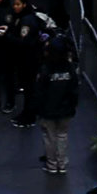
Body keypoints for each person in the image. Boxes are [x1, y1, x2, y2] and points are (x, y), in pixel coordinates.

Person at [31, 47, 82, 175]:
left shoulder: (46, 69)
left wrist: (38, 108)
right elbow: (74, 88)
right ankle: (62, 163)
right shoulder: (70, 68)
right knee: (62, 135)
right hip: (65, 109)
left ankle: (52, 164)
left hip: (48, 110)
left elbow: (40, 90)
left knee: (49, 137)